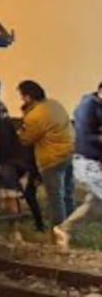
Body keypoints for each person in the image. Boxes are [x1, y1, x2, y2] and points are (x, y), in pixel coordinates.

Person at [16, 80, 75, 235]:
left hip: (52, 159)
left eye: (22, 96)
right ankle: (71, 227)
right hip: (68, 153)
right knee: (68, 193)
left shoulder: (35, 115)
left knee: (56, 198)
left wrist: (21, 127)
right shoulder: (54, 104)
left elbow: (26, 139)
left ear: (28, 97)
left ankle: (59, 233)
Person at [0, 77, 45, 230]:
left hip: (8, 159)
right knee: (9, 191)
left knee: (10, 191)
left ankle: (17, 228)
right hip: (18, 157)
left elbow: (3, 137)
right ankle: (22, 226)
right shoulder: (0, 107)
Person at [57, 81, 102, 247]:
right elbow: (84, 137)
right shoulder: (87, 107)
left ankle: (64, 229)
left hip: (95, 162)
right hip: (87, 163)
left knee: (95, 204)